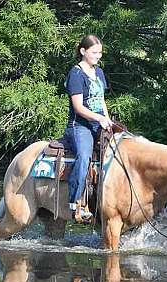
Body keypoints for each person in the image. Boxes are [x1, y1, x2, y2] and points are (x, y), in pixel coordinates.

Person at [64, 34, 112, 222]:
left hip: (99, 123)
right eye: (94, 52)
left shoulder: (99, 73)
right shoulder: (76, 74)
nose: (98, 56)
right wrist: (98, 118)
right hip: (80, 126)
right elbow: (78, 107)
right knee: (84, 157)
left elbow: (101, 101)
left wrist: (107, 120)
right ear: (83, 51)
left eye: (100, 52)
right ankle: (74, 202)